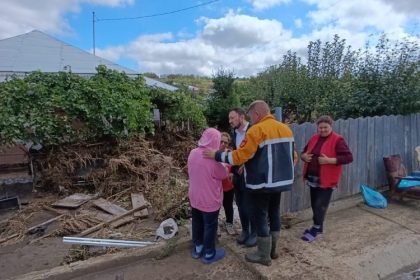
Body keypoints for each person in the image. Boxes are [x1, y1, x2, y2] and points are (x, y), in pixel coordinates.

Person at [204, 100, 296, 266]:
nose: (251, 119)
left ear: (256, 114)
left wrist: (216, 155)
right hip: (279, 183)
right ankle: (273, 250)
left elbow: (239, 156)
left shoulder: (256, 130)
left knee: (260, 216)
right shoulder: (285, 129)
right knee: (274, 213)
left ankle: (263, 255)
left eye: (251, 115)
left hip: (261, 184)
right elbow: (293, 157)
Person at [300, 115, 353, 242]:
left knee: (320, 205)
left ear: (331, 126)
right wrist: (304, 157)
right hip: (313, 177)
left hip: (327, 179)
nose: (323, 130)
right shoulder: (314, 138)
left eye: (325, 127)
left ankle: (315, 229)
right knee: (314, 204)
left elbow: (348, 157)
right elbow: (304, 151)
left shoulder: (338, 140)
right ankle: (319, 226)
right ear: (317, 128)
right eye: (320, 127)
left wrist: (329, 160)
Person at [188, 128, 229, 264]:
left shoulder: (193, 152)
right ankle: (209, 253)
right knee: (210, 225)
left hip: (195, 197)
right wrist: (224, 162)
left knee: (197, 222)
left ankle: (198, 248)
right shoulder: (212, 158)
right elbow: (223, 175)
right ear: (215, 140)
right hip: (209, 199)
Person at [228, 108, 257, 247]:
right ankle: (245, 231)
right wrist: (233, 171)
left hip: (251, 175)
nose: (230, 121)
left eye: (232, 118)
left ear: (241, 116)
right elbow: (236, 152)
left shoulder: (254, 130)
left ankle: (254, 233)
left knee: (251, 205)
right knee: (240, 205)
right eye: (229, 119)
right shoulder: (235, 133)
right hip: (238, 176)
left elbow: (258, 152)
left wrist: (246, 165)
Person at [219, 132, 236, 235]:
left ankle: (229, 223)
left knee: (228, 206)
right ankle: (216, 225)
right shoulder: (213, 153)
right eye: (221, 141)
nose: (223, 144)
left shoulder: (230, 153)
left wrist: (232, 174)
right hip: (216, 187)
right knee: (215, 207)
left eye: (225, 142)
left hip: (229, 186)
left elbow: (236, 167)